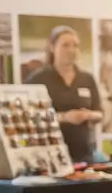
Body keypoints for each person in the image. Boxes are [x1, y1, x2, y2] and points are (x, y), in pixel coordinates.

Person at [27, 25, 102, 163]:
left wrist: (88, 115)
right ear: (52, 47)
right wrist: (64, 117)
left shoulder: (87, 78)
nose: (71, 50)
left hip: (84, 155)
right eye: (65, 45)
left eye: (75, 45)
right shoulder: (38, 79)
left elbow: (99, 113)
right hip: (49, 156)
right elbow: (30, 116)